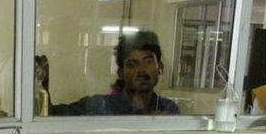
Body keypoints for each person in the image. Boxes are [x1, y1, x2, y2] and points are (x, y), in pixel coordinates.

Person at [46, 30, 180, 116]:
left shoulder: (169, 109)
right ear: (121, 73)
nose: (141, 70)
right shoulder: (99, 107)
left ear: (160, 67)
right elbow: (49, 115)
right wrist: (42, 85)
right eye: (132, 64)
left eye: (148, 62)